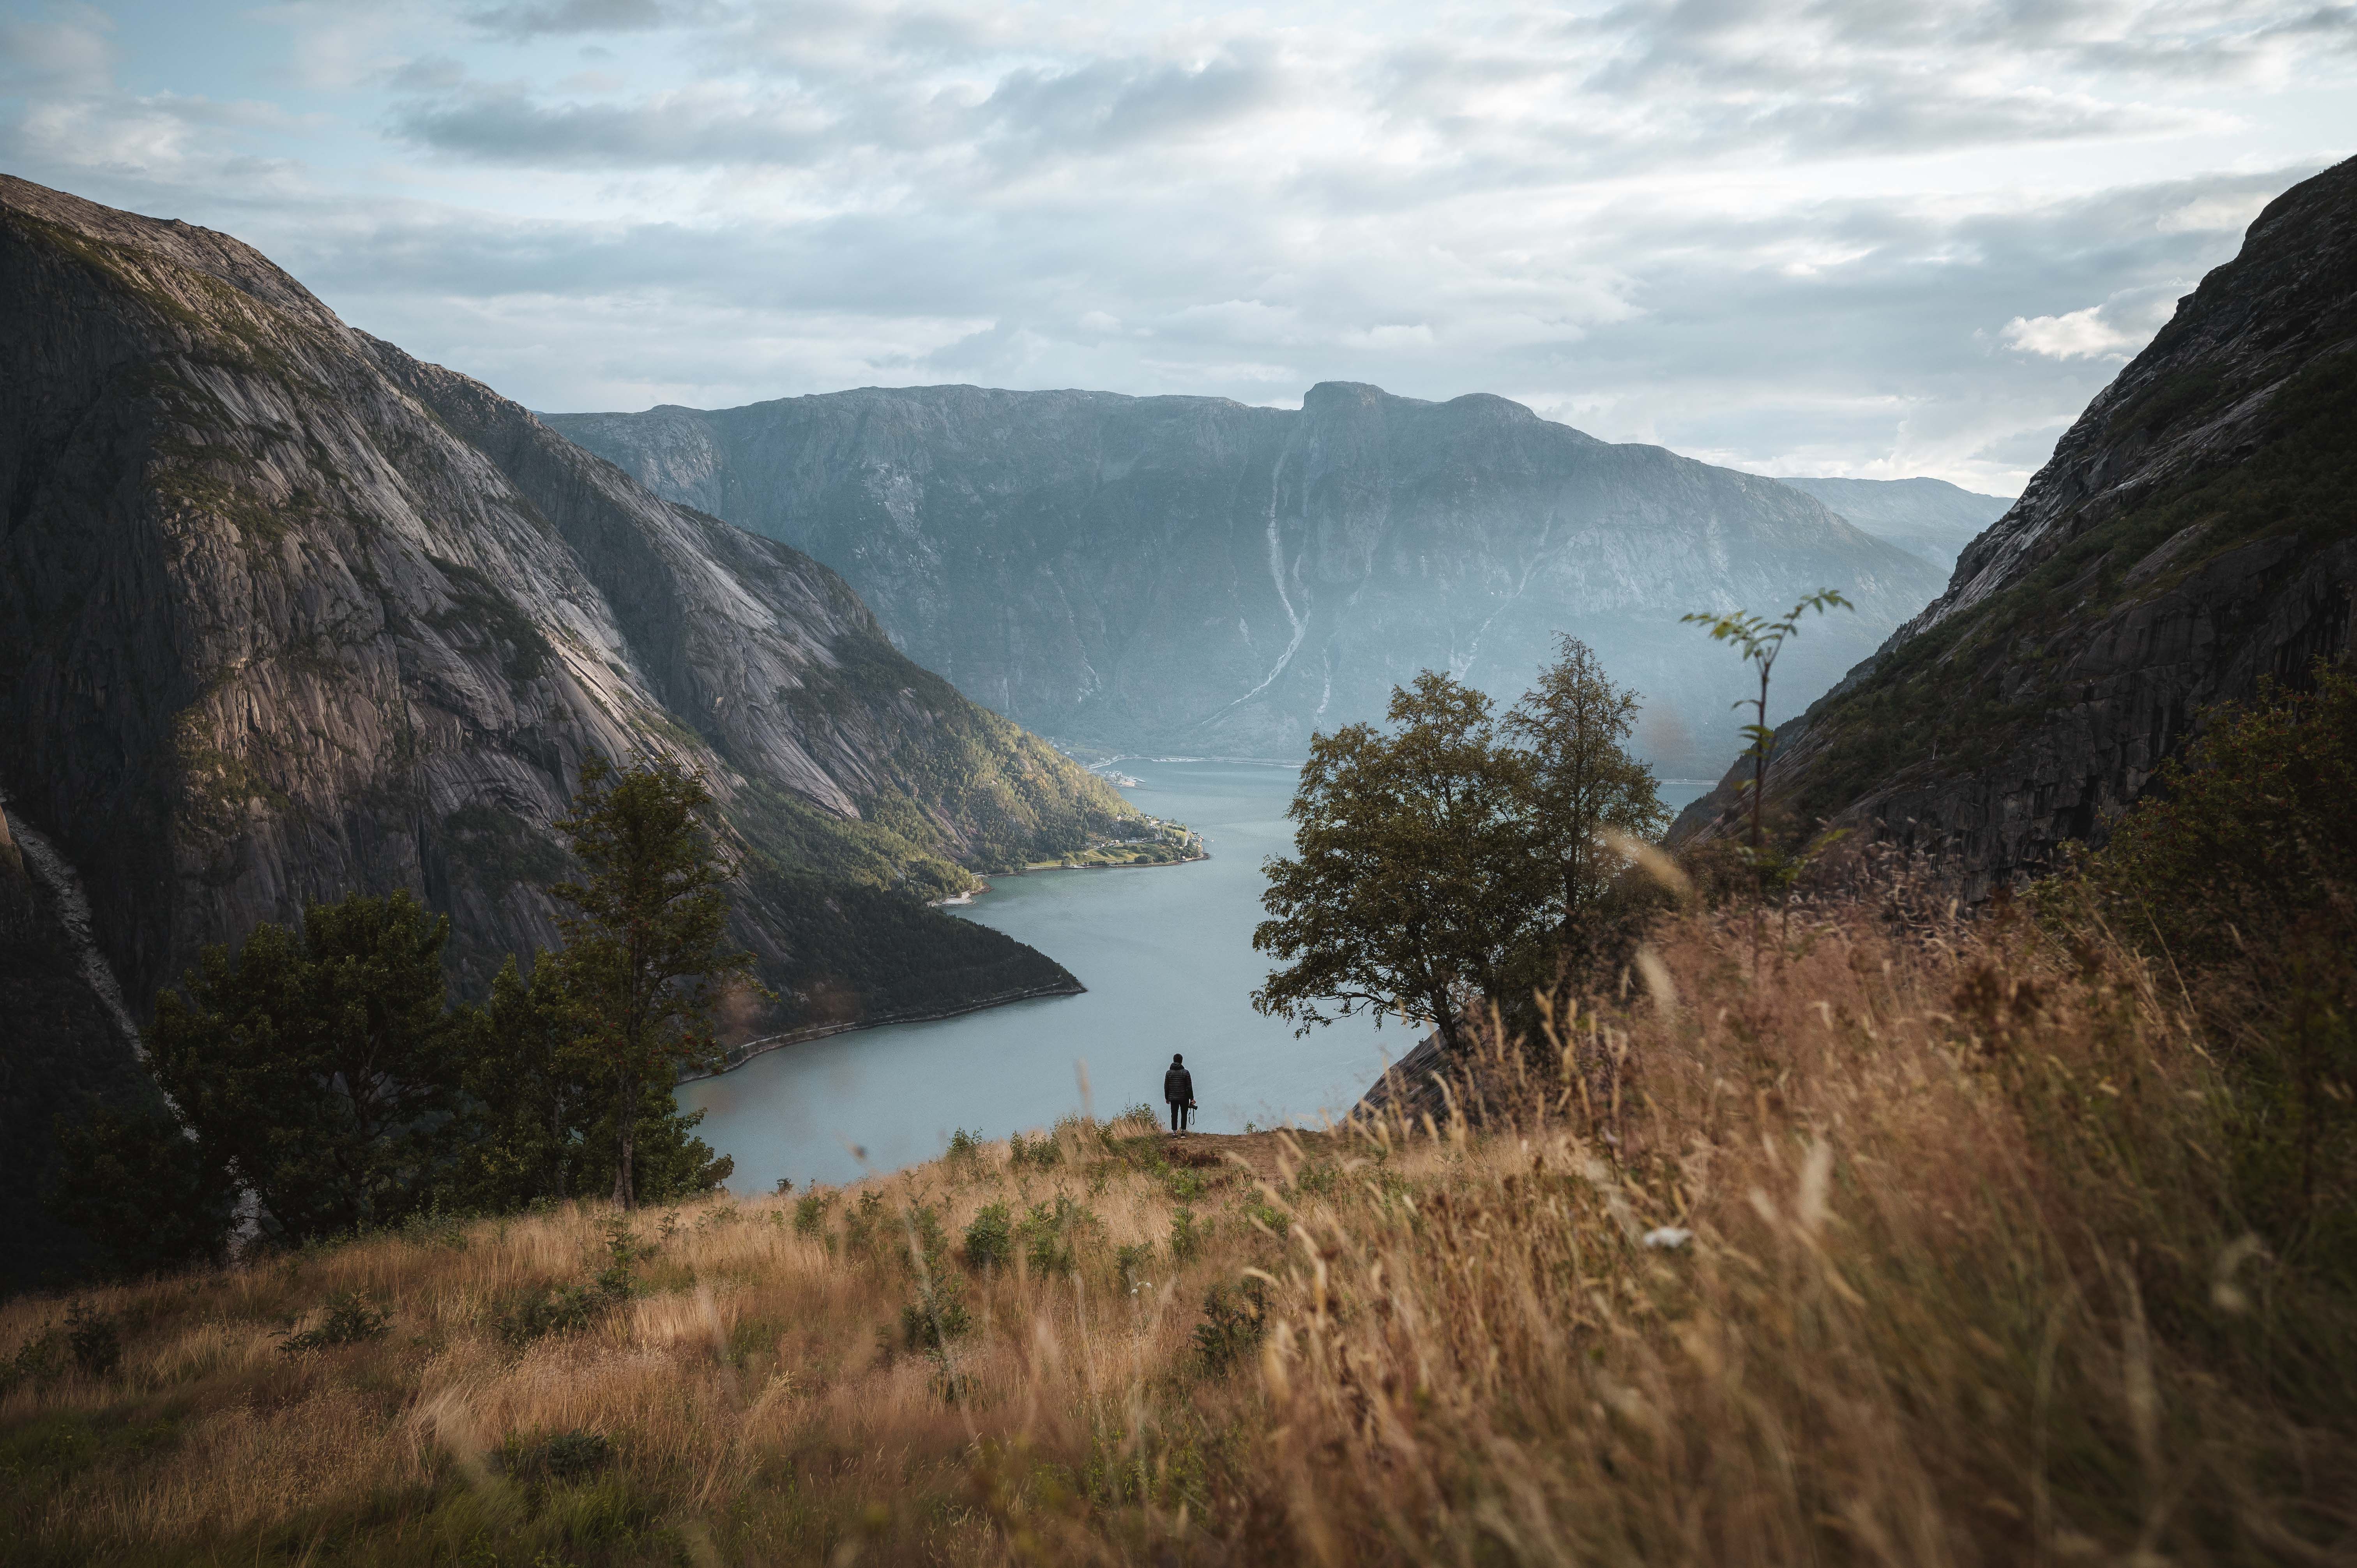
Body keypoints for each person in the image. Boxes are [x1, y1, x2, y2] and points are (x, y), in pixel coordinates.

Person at [1164, 1052, 1195, 1132]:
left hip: (1173, 1097)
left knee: (1174, 1115)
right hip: (1184, 1097)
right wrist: (1192, 1098)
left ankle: (1174, 1132)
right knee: (1184, 1114)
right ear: (1182, 1061)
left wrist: (1167, 1098)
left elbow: (1166, 1087)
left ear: (1174, 1061)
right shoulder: (1186, 1073)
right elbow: (1189, 1087)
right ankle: (1183, 1131)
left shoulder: (1169, 1073)